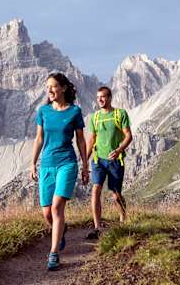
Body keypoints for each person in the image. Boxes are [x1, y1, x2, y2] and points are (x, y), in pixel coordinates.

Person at [30, 72, 89, 271]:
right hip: (47, 164)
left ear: (63, 88)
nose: (50, 90)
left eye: (53, 86)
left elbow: (80, 140)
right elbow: (39, 139)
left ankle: (53, 254)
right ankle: (61, 229)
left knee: (56, 208)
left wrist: (85, 165)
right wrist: (32, 163)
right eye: (48, 87)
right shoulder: (43, 111)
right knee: (47, 213)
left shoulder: (74, 112)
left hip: (67, 163)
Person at [86, 86, 133, 239]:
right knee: (95, 190)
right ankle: (97, 227)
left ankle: (123, 219)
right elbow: (91, 139)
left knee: (116, 195)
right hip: (98, 160)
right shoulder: (95, 117)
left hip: (115, 160)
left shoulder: (120, 114)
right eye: (98, 97)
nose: (100, 99)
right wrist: (84, 161)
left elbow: (128, 136)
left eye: (103, 96)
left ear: (110, 97)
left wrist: (119, 150)